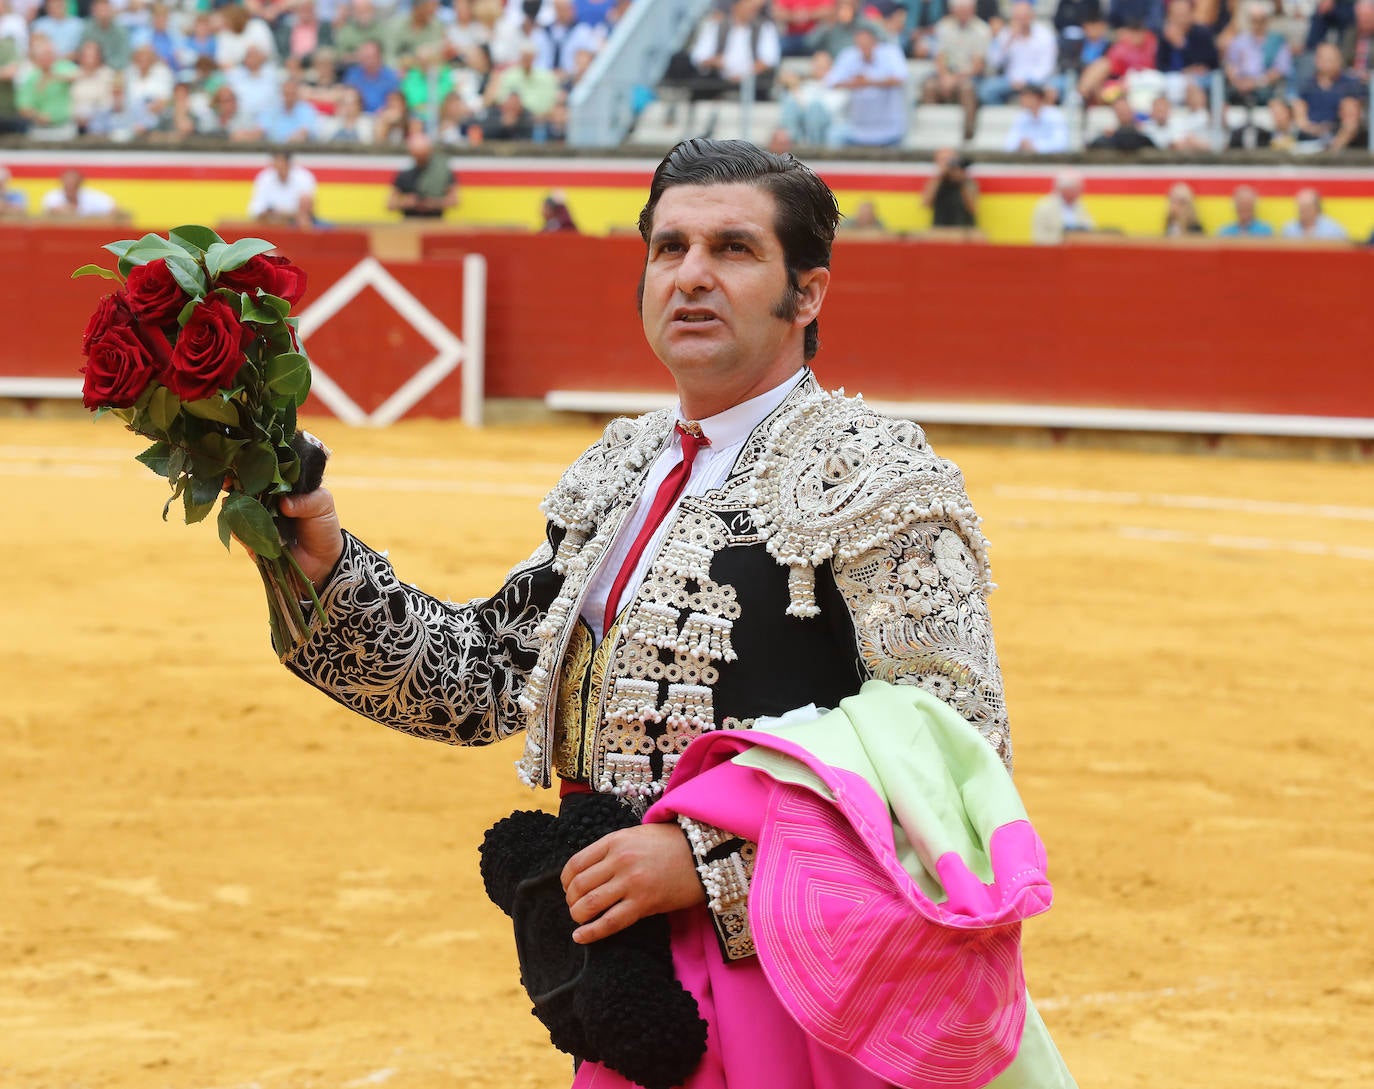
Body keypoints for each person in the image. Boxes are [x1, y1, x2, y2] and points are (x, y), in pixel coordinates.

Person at [270, 139, 1060, 1086]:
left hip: (809, 978)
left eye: (732, 249)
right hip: (634, 977)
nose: (691, 276)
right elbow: (482, 682)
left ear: (805, 295)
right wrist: (321, 565)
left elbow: (957, 744)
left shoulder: (880, 476)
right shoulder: (617, 469)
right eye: (669, 248)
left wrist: (710, 857)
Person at [823, 24, 908, 147]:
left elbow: (900, 78)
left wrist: (868, 82)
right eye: (860, 44)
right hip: (856, 129)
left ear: (875, 42)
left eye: (867, 44)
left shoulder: (891, 53)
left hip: (889, 130)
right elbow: (830, 82)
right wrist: (855, 83)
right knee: (833, 135)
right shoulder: (849, 55)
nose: (863, 48)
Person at [924, 0, 991, 140]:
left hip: (969, 76)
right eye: (960, 9)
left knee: (967, 89)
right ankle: (932, 134)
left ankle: (968, 135)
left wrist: (953, 79)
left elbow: (977, 66)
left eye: (966, 9)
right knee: (929, 87)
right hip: (946, 74)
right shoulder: (943, 26)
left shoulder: (982, 29)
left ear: (973, 10)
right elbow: (940, 58)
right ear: (953, 10)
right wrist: (945, 77)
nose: (963, 13)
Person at [387, 130, 458, 217]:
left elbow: (454, 200)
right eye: (418, 156)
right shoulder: (405, 175)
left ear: (430, 151)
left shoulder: (443, 172)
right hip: (410, 224)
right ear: (412, 154)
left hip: (434, 224)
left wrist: (434, 203)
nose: (421, 159)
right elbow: (390, 204)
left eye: (423, 155)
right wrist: (406, 203)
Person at [248, 150, 317, 227]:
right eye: (276, 162)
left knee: (304, 222)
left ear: (288, 163)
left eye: (281, 162)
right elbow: (256, 210)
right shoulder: (265, 177)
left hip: (295, 224)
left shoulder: (304, 177)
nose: (278, 166)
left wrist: (277, 213)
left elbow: (305, 210)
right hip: (270, 223)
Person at [1031, 168, 1094, 242]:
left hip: (1078, 250)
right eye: (1076, 189)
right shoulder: (1045, 207)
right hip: (1053, 251)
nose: (1080, 193)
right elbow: (1039, 237)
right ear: (1064, 189)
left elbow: (1090, 228)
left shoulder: (1080, 205)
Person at [921, 146, 979, 227]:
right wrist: (941, 177)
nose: (947, 164)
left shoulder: (967, 181)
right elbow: (925, 204)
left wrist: (961, 181)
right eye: (943, 160)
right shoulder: (936, 181)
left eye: (950, 159)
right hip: (940, 228)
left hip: (964, 230)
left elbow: (972, 209)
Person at [1004, 82, 1069, 151]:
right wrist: (1020, 144)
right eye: (1022, 97)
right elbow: (1009, 143)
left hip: (1050, 160)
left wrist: (1034, 145)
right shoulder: (1022, 116)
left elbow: (1061, 143)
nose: (1022, 100)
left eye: (1027, 97)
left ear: (1038, 98)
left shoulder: (1055, 116)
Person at [40, 168, 123, 218]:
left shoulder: (92, 196)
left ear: (80, 183)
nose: (70, 186)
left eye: (74, 184)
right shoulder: (52, 196)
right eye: (68, 183)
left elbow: (113, 208)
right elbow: (51, 211)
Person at [1281, 186, 1350, 240]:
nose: (1303, 211)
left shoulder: (1333, 230)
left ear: (1316, 208)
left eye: (1307, 207)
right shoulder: (1289, 229)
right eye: (1301, 207)